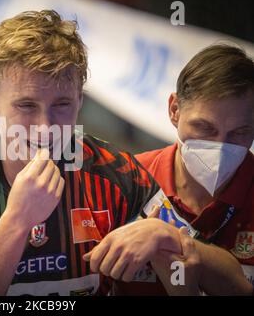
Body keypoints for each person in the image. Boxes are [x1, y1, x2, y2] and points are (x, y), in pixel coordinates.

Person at [0, 9, 173, 296]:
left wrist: (167, 239)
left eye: (62, 104)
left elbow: (205, 277)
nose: (45, 128)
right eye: (27, 106)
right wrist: (17, 221)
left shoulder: (119, 175)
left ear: (80, 99)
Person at [87, 44, 254, 295]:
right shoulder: (127, 179)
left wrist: (168, 238)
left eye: (239, 132)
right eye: (204, 128)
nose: (220, 147)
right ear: (174, 109)